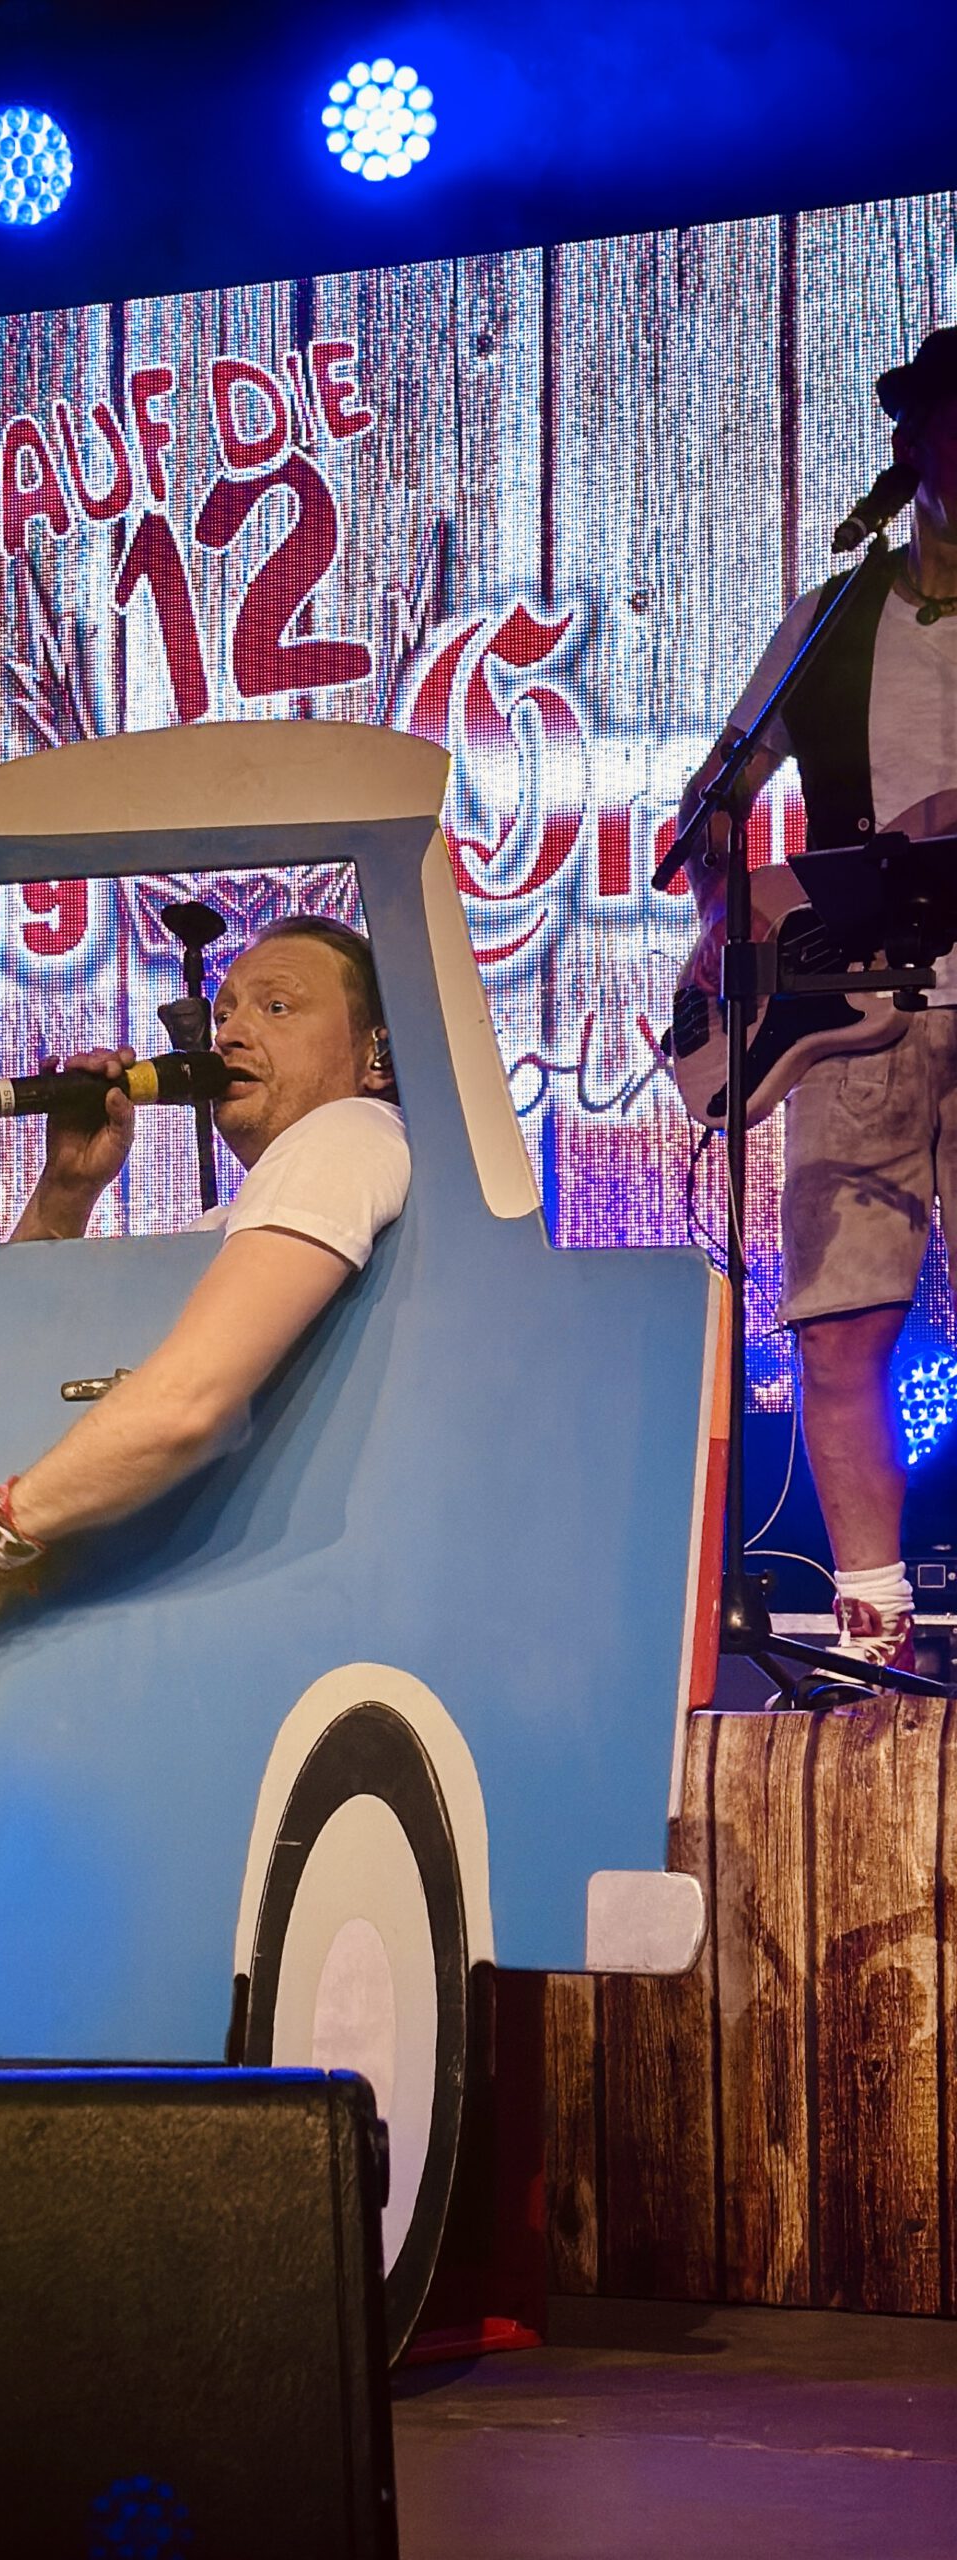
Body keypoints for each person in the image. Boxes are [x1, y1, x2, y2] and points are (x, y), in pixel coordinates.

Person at [0, 914, 409, 1695]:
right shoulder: (239, 1221)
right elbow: (9, 1374)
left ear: (377, 1054)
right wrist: (66, 1193)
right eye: (227, 1009)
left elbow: (184, 1404)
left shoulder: (346, 1132)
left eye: (276, 1008)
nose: (230, 1034)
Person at [678, 325, 957, 1678]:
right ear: (914, 450)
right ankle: (878, 1636)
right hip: (857, 1016)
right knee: (844, 1335)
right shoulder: (833, 618)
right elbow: (712, 805)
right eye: (949, 423)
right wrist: (734, 921)